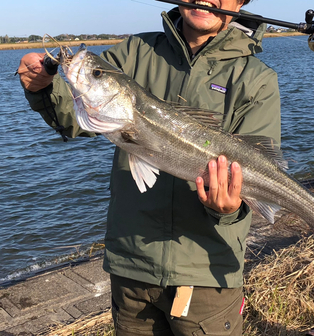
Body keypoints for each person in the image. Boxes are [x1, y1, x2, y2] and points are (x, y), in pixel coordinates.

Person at [18, 0, 281, 335]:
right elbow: (73, 119)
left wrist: (227, 209)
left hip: (207, 271)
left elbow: (261, 168)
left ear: (241, 2)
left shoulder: (256, 79)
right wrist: (45, 88)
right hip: (131, 265)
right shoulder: (134, 52)